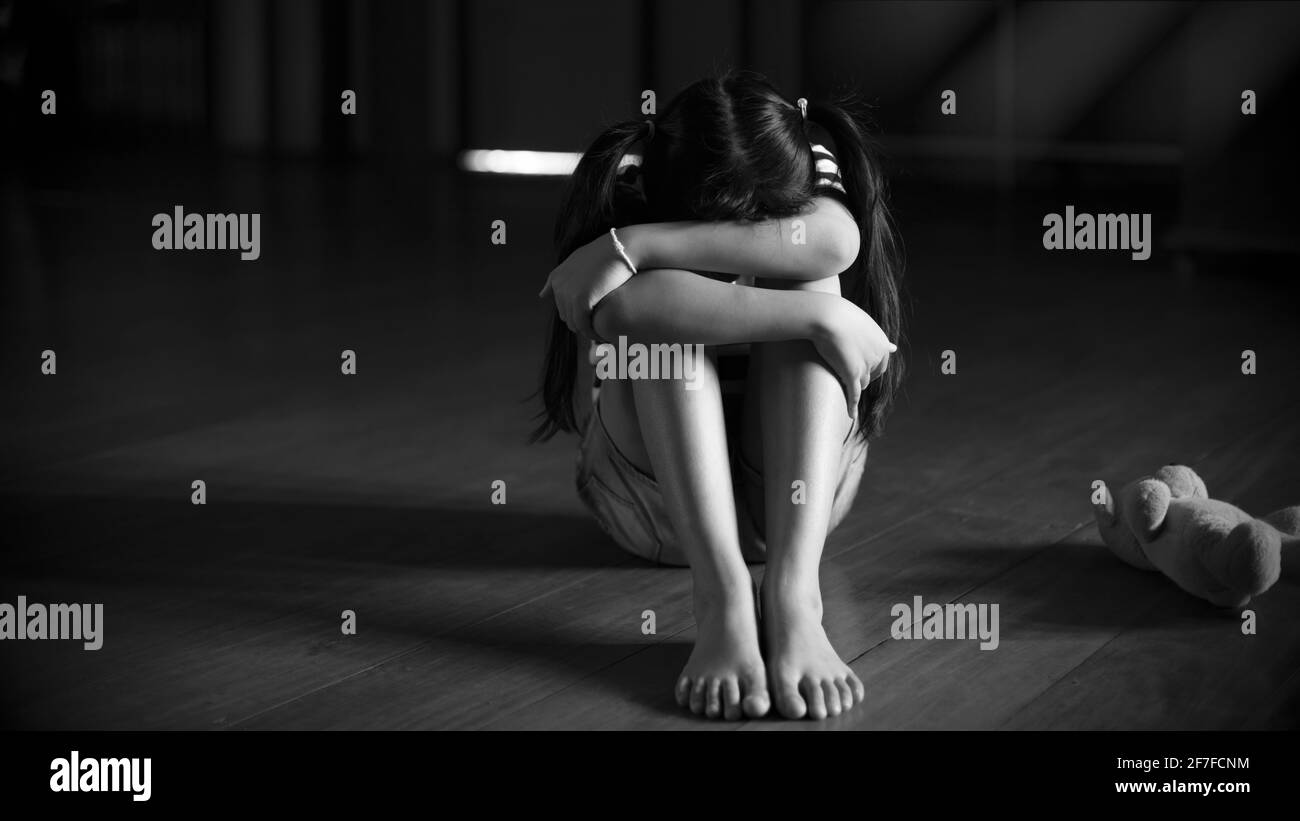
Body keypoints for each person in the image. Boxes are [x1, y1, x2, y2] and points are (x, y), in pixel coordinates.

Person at [536, 71, 903, 721]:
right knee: (664, 328)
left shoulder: (800, 150)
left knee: (812, 281)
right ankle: (724, 597)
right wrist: (820, 319)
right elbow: (626, 313)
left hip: (799, 506)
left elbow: (835, 242)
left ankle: (794, 597)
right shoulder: (636, 179)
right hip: (655, 507)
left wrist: (640, 247)